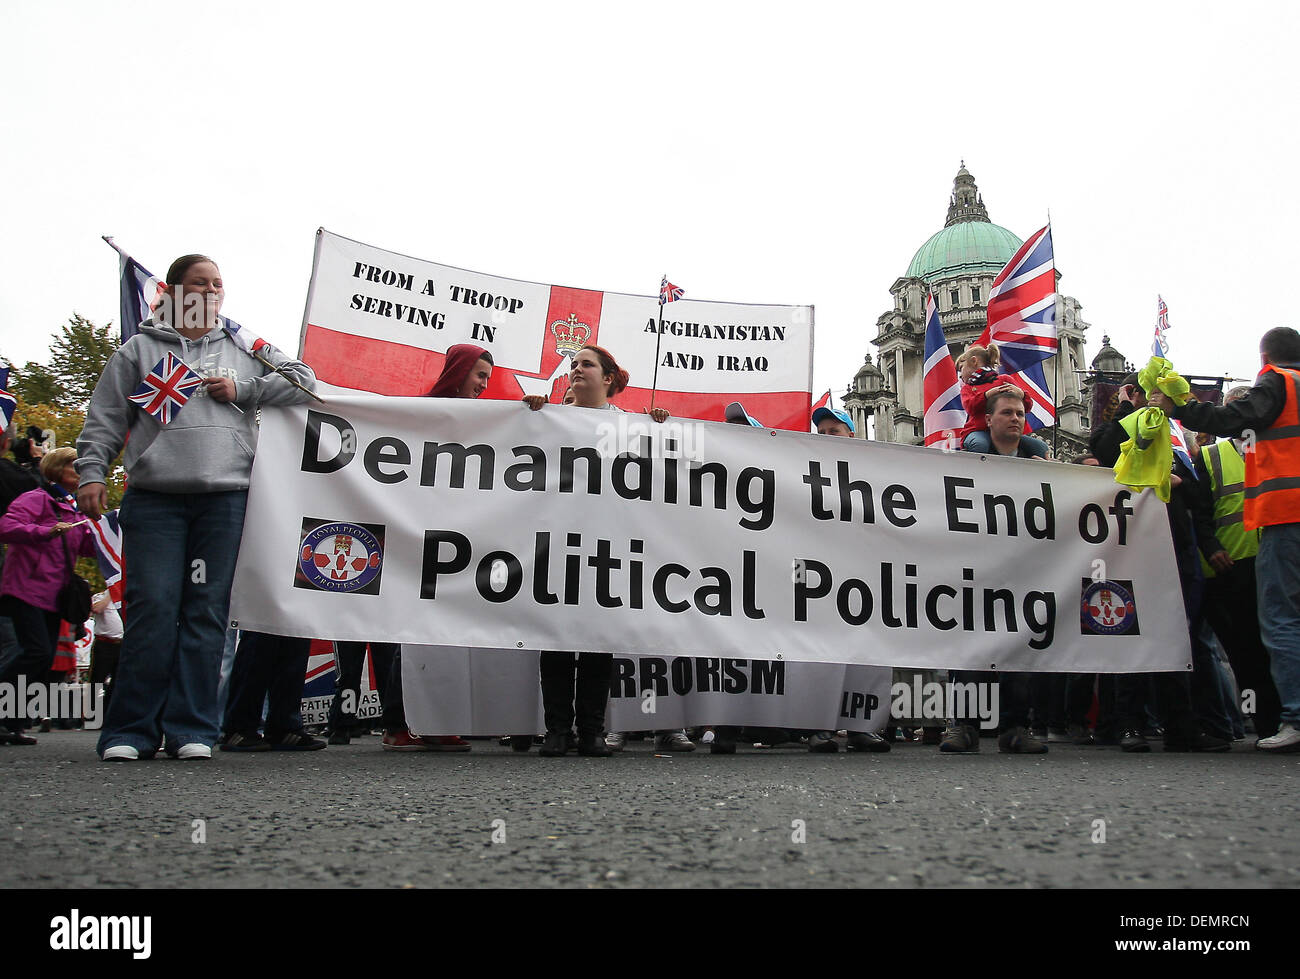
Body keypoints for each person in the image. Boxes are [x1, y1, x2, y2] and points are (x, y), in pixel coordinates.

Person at [77, 254, 316, 761]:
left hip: (225, 501)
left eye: (217, 284)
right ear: (174, 290)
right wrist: (91, 472)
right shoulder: (137, 350)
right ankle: (130, 731)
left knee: (206, 612)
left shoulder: (242, 345)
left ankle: (192, 729)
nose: (210, 292)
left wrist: (245, 388)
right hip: (156, 501)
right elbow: (104, 419)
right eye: (199, 283)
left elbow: (303, 381)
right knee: (153, 610)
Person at [1149, 326, 1300, 752]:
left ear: (1265, 358)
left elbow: (1234, 418)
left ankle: (1295, 716)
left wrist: (1181, 406)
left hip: (1287, 516)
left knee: (1281, 620)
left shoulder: (1279, 380)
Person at [523, 345, 668, 756]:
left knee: (596, 638)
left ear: (607, 378)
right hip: (556, 542)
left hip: (606, 544)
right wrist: (528, 414)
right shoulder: (551, 417)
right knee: (554, 639)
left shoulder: (629, 426)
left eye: (586, 364)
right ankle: (556, 729)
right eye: (573, 364)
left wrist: (660, 426)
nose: (576, 369)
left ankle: (590, 730)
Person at [375, 344, 492, 752]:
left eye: (487, 380)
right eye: (478, 375)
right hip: (416, 536)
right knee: (410, 633)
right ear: (459, 371)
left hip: (456, 539)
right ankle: (398, 723)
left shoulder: (481, 422)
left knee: (445, 634)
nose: (482, 385)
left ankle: (435, 720)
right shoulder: (419, 413)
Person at [940, 385, 1048, 754]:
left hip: (1020, 569)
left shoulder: (1039, 467)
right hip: (974, 569)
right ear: (988, 420)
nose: (1015, 419)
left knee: (1018, 645)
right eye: (1007, 413)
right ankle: (963, 726)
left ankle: (1016, 726)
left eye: (1020, 413)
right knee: (969, 644)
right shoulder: (965, 461)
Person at [1194, 386, 1281, 738]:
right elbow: (1199, 514)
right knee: (1244, 656)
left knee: (1279, 646)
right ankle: (1259, 722)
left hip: (1275, 565)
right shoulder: (1211, 456)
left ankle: (1287, 716)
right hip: (1231, 569)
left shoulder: (1276, 452)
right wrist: (1212, 547)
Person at [807, 406, 891, 754]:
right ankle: (819, 726)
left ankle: (862, 726)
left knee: (868, 648)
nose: (826, 438)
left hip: (863, 572)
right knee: (819, 652)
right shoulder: (801, 469)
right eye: (821, 433)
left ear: (851, 435)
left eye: (834, 432)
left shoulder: (876, 470)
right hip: (817, 572)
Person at [0, 446, 97, 744]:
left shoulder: (74, 508)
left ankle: (11, 724)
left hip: (54, 594)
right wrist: (44, 531)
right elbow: (6, 526)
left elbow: (85, 547)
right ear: (58, 470)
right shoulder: (37, 499)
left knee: (42, 659)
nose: (81, 474)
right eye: (75, 468)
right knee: (36, 652)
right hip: (25, 588)